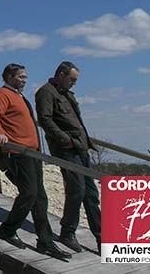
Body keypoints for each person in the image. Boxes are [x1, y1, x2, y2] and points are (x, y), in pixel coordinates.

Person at [0, 63, 72, 260]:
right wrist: (0, 133)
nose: (25, 80)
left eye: (25, 77)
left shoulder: (18, 95)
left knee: (40, 197)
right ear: (9, 76)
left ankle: (45, 242)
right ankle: (7, 230)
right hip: (18, 152)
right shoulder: (2, 94)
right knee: (29, 193)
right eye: (21, 77)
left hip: (32, 153)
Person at [35, 61, 101, 252]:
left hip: (81, 149)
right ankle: (67, 232)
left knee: (91, 194)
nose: (74, 83)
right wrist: (66, 140)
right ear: (61, 75)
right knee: (77, 190)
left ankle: (102, 238)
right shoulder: (46, 92)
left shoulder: (66, 94)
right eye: (72, 79)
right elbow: (45, 120)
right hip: (67, 149)